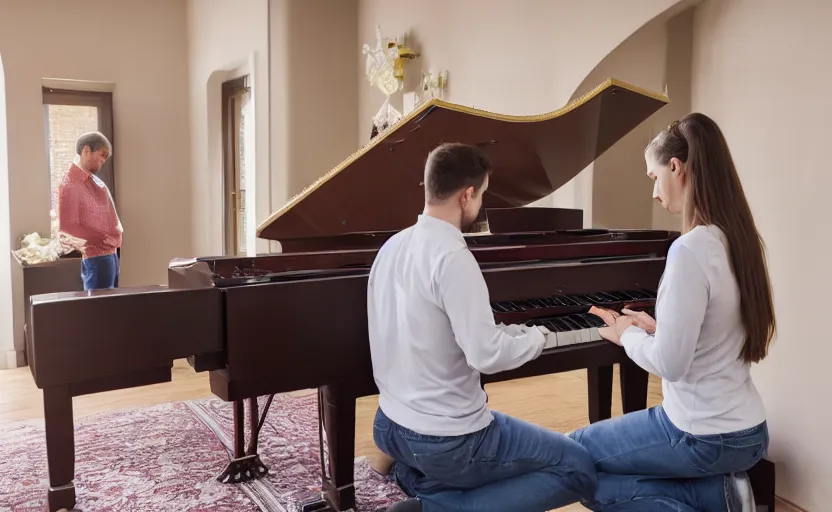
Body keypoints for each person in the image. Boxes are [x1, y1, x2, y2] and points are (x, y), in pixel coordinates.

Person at [368, 142, 598, 512]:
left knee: (504, 459)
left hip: (391, 427)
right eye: (482, 196)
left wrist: (504, 333)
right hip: (447, 441)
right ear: (467, 195)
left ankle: (413, 481)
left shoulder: (391, 247)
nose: (480, 206)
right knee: (578, 467)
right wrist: (537, 336)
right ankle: (436, 507)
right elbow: (485, 354)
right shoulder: (452, 256)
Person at [569, 113, 774, 512]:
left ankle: (719, 497)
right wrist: (659, 329)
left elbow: (670, 364)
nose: (654, 192)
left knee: (575, 459)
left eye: (653, 177)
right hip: (749, 430)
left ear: (676, 167)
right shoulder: (738, 240)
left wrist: (628, 333)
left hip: (703, 436)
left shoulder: (689, 250)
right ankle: (724, 495)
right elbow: (716, 331)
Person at [56, 131, 123, 291]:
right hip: (96, 256)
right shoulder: (70, 184)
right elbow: (69, 228)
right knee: (98, 309)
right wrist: (104, 238)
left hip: (109, 253)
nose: (103, 161)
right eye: (102, 155)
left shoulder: (92, 181)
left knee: (109, 304)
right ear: (86, 151)